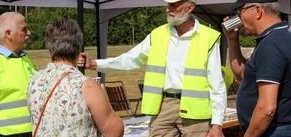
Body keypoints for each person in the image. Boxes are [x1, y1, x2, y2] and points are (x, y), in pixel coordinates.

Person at [78, 0, 227, 136]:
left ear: (190, 8)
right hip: (163, 108)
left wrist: (217, 124)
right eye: (168, 5)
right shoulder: (158, 34)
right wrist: (95, 64)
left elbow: (217, 84)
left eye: (174, 5)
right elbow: (130, 60)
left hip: (197, 113)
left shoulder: (208, 38)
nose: (168, 9)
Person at [27, 19, 124, 137]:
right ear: (79, 50)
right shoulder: (87, 86)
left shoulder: (34, 80)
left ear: (50, 50)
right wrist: (104, 99)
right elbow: (115, 131)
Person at [224, 0, 291, 136]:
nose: (239, 19)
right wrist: (232, 40)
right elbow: (242, 73)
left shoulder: (270, 45)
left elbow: (267, 108)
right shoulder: (279, 37)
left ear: (258, 10)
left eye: (240, 12)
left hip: (274, 130)